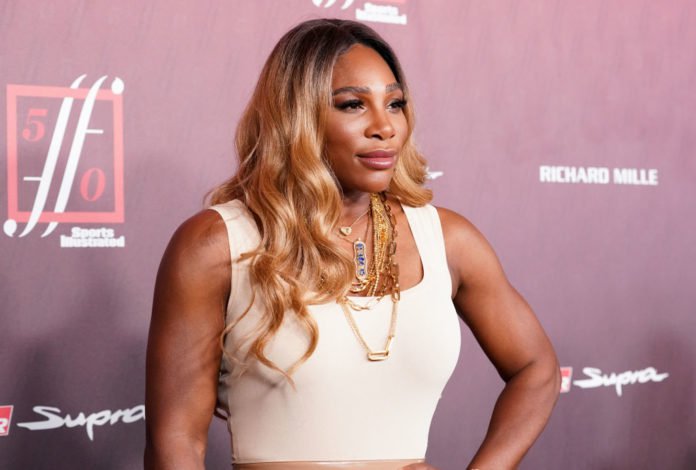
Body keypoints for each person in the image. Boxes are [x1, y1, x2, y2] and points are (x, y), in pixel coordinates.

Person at [144, 18, 560, 470]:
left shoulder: (447, 239)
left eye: (395, 103)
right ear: (295, 116)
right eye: (352, 105)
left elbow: (536, 370)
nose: (385, 127)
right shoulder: (215, 245)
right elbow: (177, 442)